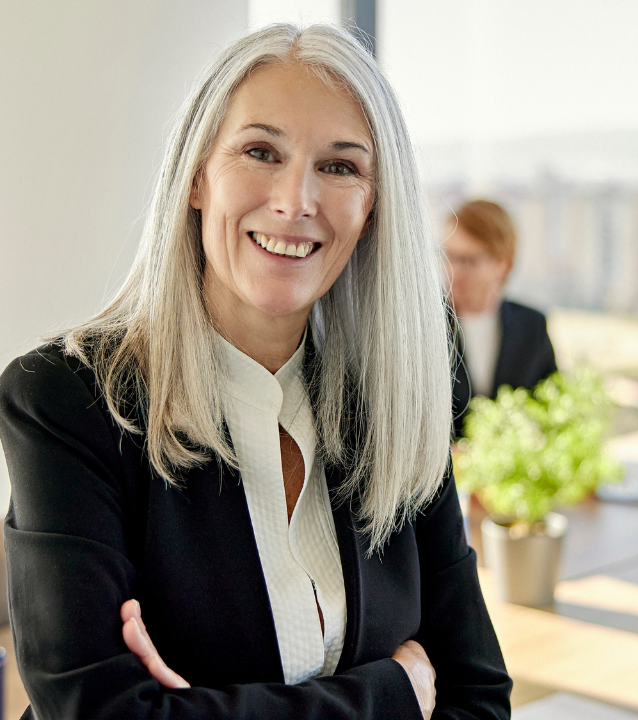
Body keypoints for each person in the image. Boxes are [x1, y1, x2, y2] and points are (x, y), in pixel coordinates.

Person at [0, 24, 511, 720]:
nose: (295, 200)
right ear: (197, 178)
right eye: (260, 151)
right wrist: (390, 695)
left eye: (340, 166)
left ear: (371, 209)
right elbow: (99, 711)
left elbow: (478, 699)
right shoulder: (65, 400)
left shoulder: (397, 408)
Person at [443, 200, 557, 438]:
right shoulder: (423, 329)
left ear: (503, 264)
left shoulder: (532, 326)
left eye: (468, 260)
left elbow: (552, 411)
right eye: (448, 256)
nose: (453, 271)